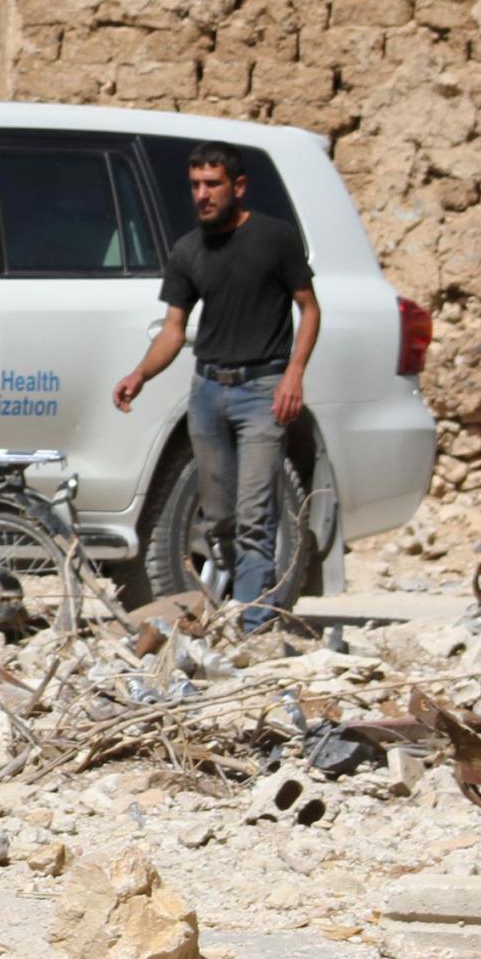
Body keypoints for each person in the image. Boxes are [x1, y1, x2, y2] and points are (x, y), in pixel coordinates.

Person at [111, 142, 321, 627]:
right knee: (219, 516)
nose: (202, 195)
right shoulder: (187, 251)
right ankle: (227, 607)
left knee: (255, 516)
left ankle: (252, 626)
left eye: (212, 185)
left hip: (262, 389)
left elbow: (308, 308)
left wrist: (293, 373)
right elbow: (173, 330)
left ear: (237, 186)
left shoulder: (275, 238)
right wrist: (139, 374)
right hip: (208, 391)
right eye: (195, 186)